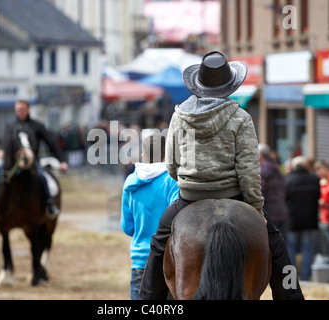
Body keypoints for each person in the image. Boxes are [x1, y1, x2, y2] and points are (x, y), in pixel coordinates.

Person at [139, 51, 304, 300]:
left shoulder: (179, 116)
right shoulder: (241, 117)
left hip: (189, 197)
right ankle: (291, 296)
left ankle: (147, 301)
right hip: (236, 197)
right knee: (277, 245)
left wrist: (189, 179)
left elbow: (171, 165)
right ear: (229, 86)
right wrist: (256, 209)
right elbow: (249, 170)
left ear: (199, 84)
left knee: (158, 244)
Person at [0, 100, 68, 220]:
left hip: (32, 163)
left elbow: (51, 143)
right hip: (12, 164)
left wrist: (62, 161)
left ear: (28, 110)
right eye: (18, 110)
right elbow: (6, 143)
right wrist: (2, 150)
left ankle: (49, 205)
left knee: (41, 177)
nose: (20, 112)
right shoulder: (11, 127)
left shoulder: (37, 126)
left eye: (22, 110)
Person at [120, 133, 179, 300]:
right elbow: (177, 219)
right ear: (167, 155)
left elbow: (127, 227)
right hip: (168, 259)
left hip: (140, 260)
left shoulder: (130, 181)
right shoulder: (172, 180)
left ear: (143, 156)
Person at [285, 156, 321, 281]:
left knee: (291, 247)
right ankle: (306, 276)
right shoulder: (314, 179)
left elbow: (285, 200)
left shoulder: (288, 180)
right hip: (310, 219)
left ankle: (292, 277)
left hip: (293, 219)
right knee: (308, 247)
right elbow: (318, 197)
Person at [259, 143, 288, 236]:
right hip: (281, 212)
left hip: (270, 215)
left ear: (259, 155)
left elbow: (261, 194)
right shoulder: (277, 169)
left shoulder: (263, 171)